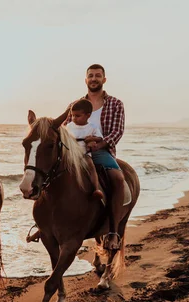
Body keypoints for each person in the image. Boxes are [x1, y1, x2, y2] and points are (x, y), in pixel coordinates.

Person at [68, 64, 126, 250]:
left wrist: (100, 143)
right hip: (76, 152)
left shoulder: (115, 104)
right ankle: (45, 225)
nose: (94, 79)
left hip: (101, 151)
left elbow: (117, 131)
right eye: (91, 76)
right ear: (86, 80)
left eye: (98, 76)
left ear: (104, 79)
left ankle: (113, 232)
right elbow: (63, 128)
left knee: (117, 178)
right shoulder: (74, 105)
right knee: (49, 175)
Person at [66, 99, 105, 200]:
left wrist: (92, 139)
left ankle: (96, 189)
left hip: (84, 154)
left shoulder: (92, 127)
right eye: (73, 115)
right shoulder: (69, 126)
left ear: (88, 115)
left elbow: (100, 138)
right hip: (71, 154)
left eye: (77, 116)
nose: (74, 118)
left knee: (91, 166)